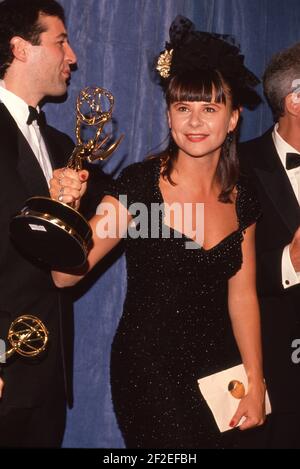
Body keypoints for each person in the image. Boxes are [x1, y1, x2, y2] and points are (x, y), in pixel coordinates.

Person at [50, 16, 266, 449]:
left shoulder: (244, 198)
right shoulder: (138, 188)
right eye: (183, 107)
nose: (195, 121)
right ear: (169, 116)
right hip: (149, 372)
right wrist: (65, 211)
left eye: (210, 108)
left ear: (233, 118)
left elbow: (242, 295)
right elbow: (65, 277)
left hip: (220, 370)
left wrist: (256, 379)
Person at [0, 0, 109, 447]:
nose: (74, 57)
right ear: (21, 48)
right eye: (61, 41)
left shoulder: (64, 144)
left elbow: (126, 202)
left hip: (47, 381)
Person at [239, 43, 300, 449]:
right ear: (295, 101)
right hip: (278, 376)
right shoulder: (237, 166)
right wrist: (289, 261)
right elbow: (210, 269)